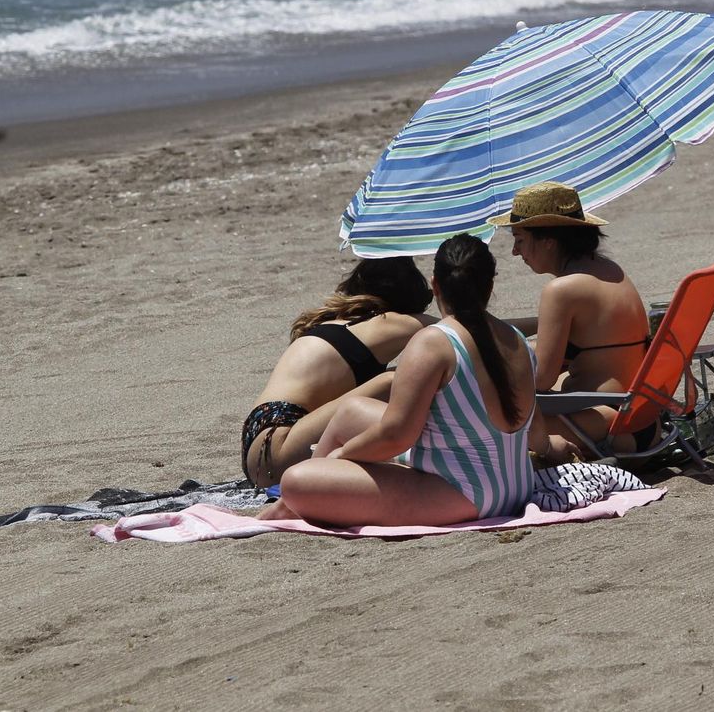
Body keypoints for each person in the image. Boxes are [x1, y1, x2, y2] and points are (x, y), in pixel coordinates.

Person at [266, 234, 536, 526]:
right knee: (350, 411)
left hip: (466, 494)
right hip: (516, 485)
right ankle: (289, 502)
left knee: (295, 481)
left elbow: (397, 436)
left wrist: (342, 455)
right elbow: (534, 428)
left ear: (435, 285)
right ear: (490, 286)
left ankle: (287, 503)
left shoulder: (433, 343)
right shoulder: (516, 340)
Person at [239, 257, 435, 490]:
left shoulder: (341, 322)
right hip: (278, 446)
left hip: (263, 440)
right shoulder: (390, 322)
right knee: (397, 379)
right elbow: (461, 332)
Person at [489, 181, 651, 462]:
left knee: (485, 426)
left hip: (607, 424)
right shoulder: (609, 270)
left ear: (549, 241)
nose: (516, 252)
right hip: (642, 417)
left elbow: (541, 379)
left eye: (520, 239)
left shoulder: (561, 290)